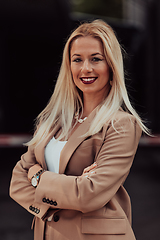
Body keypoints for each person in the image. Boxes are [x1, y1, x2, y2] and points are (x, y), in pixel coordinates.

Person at [9, 19, 149, 240]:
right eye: (77, 59)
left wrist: (37, 178)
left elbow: (88, 194)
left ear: (111, 65)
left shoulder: (121, 124)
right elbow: (17, 181)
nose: (86, 68)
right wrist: (61, 194)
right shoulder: (51, 121)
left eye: (96, 59)